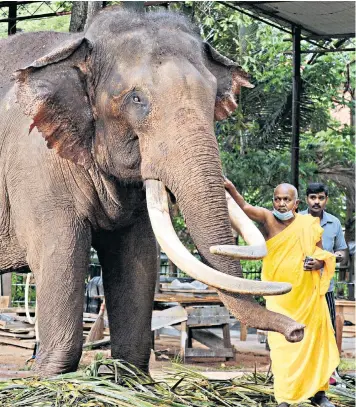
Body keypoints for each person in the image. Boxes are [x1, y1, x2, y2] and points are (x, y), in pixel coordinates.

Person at [224, 178, 339, 407]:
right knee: (282, 347)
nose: (281, 204)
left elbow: (323, 255)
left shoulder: (308, 224)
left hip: (308, 299)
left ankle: (319, 395)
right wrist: (230, 188)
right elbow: (245, 208)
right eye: (277, 199)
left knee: (313, 344)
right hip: (279, 299)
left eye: (286, 199)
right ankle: (285, 397)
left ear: (296, 203)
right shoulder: (268, 218)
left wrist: (317, 264)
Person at [300, 183, 348, 386]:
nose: (316, 201)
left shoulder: (334, 223)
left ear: (326, 199)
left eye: (320, 197)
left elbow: (342, 253)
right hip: (300, 288)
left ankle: (330, 373)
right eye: (312, 197)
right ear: (306, 199)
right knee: (301, 329)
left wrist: (325, 260)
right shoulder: (297, 220)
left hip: (324, 288)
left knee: (327, 330)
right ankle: (301, 374)